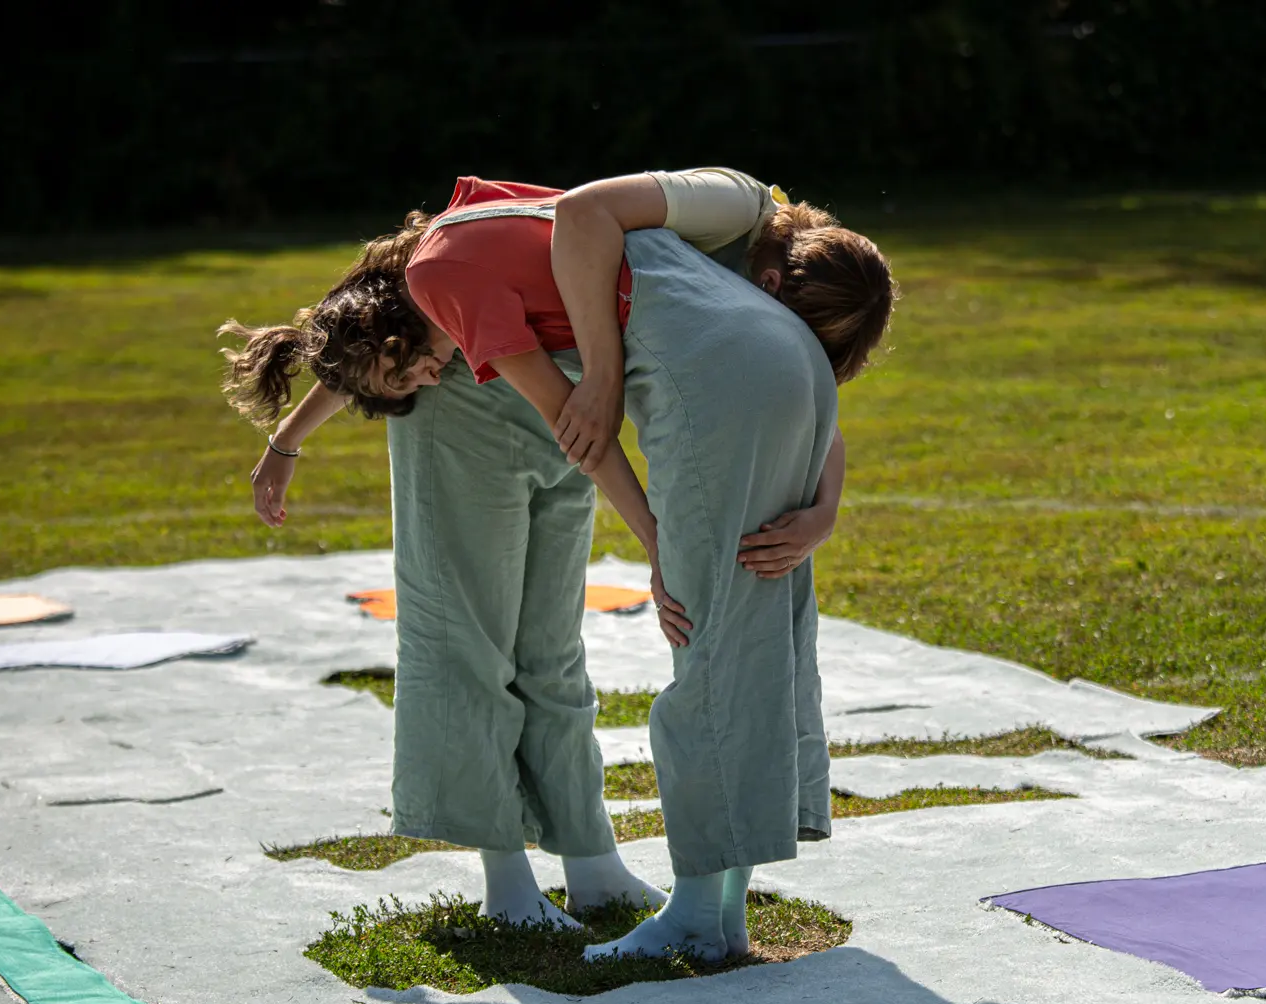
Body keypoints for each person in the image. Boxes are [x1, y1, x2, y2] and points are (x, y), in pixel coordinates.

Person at [220, 170, 894, 957]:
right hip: (508, 400)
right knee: (470, 641)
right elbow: (396, 323)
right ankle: (518, 877)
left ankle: (608, 869)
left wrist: (807, 510)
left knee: (556, 650)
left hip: (567, 396)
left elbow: (786, 392)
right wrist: (288, 437)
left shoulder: (715, 262)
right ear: (773, 281)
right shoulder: (705, 229)